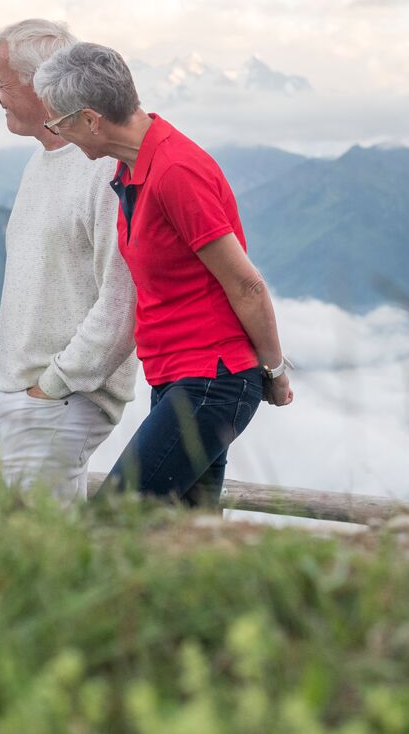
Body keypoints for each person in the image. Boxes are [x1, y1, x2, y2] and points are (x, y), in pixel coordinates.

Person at [32, 43, 293, 507]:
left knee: (113, 521)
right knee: (182, 537)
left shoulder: (175, 172)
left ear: (91, 120)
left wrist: (274, 371)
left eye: (59, 123)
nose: (58, 134)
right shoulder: (133, 167)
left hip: (212, 378)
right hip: (181, 378)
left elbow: (247, 284)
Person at [0, 19, 138, 501]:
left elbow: (124, 300)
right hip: (22, 392)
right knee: (18, 538)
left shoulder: (104, 168)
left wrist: (53, 385)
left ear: (40, 84)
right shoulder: (41, 161)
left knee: (32, 541)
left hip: (59, 398)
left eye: (2, 84)